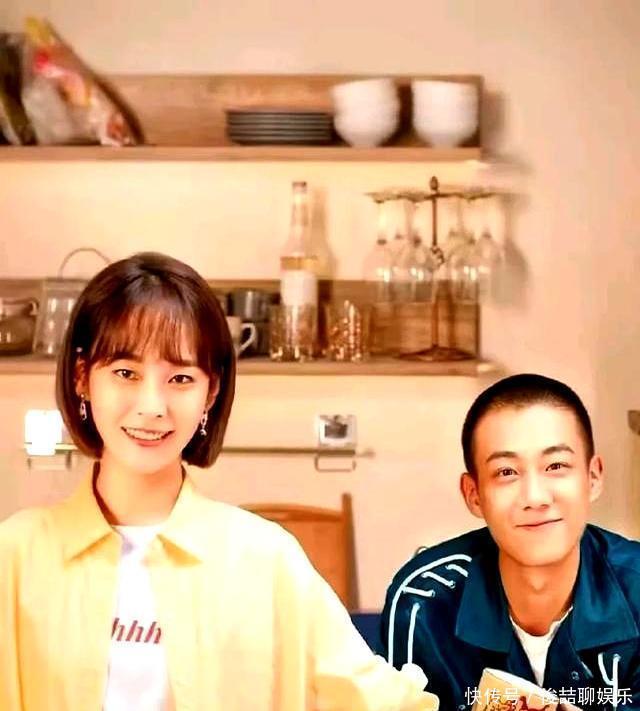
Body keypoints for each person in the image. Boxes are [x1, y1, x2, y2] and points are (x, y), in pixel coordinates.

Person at [0, 252, 439, 711]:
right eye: (125, 373)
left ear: (210, 391)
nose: (152, 406)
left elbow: (381, 702)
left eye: (180, 378)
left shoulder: (267, 559)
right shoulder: (14, 555)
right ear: (81, 377)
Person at [381, 374, 640, 711]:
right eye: (506, 472)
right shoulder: (426, 601)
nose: (535, 497)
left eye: (556, 465)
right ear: (474, 494)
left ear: (592, 477)